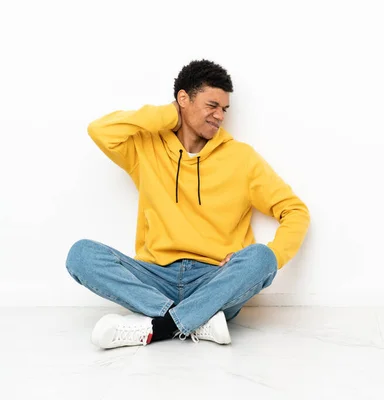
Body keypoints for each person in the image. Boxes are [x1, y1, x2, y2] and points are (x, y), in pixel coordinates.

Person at [65, 60, 310, 350]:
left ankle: (161, 326)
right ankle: (198, 321)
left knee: (261, 258)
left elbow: (295, 211)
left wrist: (275, 254)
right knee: (81, 255)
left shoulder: (242, 159)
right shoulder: (145, 149)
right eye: (212, 105)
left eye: (224, 109)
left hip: (215, 281)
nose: (220, 115)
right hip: (155, 277)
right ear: (184, 99)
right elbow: (99, 130)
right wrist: (169, 115)